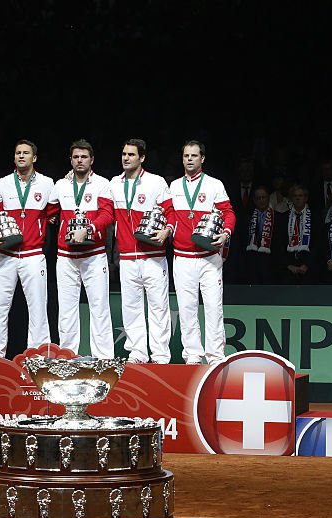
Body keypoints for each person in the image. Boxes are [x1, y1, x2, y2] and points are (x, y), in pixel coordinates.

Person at [99, 139, 173, 363]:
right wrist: (71, 176)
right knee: (131, 307)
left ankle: (160, 355)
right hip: (128, 257)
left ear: (142, 158)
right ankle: (138, 353)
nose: (125, 158)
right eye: (123, 154)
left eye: (131, 155)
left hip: (153, 256)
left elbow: (170, 213)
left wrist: (167, 231)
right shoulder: (113, 183)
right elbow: (103, 210)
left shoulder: (156, 182)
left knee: (158, 307)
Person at [0, 139, 60, 358]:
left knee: (38, 309)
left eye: (25, 153)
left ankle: (38, 357)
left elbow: (55, 210)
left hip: (33, 254)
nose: (21, 156)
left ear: (34, 158)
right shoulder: (2, 183)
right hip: (5, 254)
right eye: (18, 152)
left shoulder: (47, 183)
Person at [166, 140, 235, 365]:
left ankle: (215, 356)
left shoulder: (214, 185)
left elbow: (229, 213)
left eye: (194, 156)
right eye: (186, 156)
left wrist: (225, 234)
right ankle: (192, 356)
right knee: (186, 309)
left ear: (202, 158)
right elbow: (167, 215)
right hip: (183, 257)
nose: (189, 159)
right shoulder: (174, 186)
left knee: (214, 308)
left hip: (209, 258)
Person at [53, 140, 114, 358]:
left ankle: (104, 358)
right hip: (66, 255)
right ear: (71, 160)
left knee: (99, 307)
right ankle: (68, 355)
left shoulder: (102, 184)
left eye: (84, 157)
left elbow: (107, 215)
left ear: (92, 160)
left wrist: (87, 229)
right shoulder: (61, 185)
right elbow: (50, 211)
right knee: (67, 309)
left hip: (94, 255)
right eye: (76, 157)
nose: (80, 160)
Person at [245, 185, 278, 285]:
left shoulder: (278, 217)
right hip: (252, 263)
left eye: (264, 197)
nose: (261, 200)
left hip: (272, 263)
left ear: (268, 198)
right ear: (254, 200)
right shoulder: (247, 218)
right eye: (258, 198)